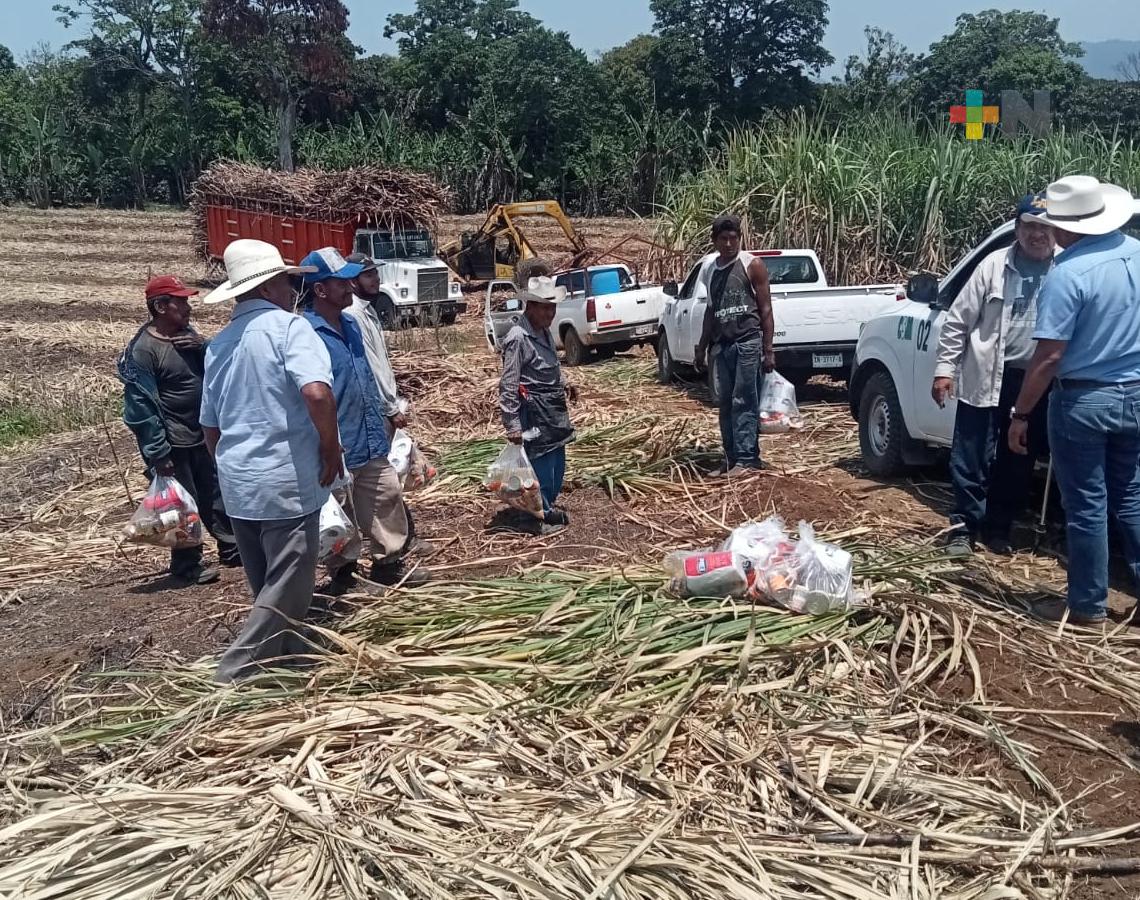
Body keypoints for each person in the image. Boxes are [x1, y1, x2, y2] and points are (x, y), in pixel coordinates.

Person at [199, 239, 342, 684]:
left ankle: (286, 660)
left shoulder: (220, 343)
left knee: (264, 581)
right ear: (269, 287)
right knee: (290, 581)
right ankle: (234, 673)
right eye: (286, 281)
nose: (291, 290)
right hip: (285, 478)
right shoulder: (289, 329)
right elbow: (317, 392)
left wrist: (234, 466)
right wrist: (331, 448)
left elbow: (210, 427)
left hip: (239, 482)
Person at [1008, 175, 1140, 625]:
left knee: (1087, 505)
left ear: (1066, 228)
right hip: (1135, 394)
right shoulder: (1138, 255)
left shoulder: (1069, 274)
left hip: (1084, 401)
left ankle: (1087, 607)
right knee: (1131, 499)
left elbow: (1049, 357)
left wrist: (1020, 413)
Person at [932, 193, 1056, 557]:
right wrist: (944, 370)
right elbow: (957, 321)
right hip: (986, 376)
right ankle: (963, 529)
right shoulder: (992, 266)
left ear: (1057, 232)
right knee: (970, 456)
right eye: (1031, 226)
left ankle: (999, 529)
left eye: (1045, 228)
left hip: (1034, 385)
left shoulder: (1067, 269)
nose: (1038, 234)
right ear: (1018, 229)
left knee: (1017, 460)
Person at [300, 247, 430, 590]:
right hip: (336, 441)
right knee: (340, 510)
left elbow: (366, 376)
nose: (349, 287)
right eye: (340, 282)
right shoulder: (306, 333)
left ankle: (389, 563)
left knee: (385, 495)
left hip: (370, 433)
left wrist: (385, 414)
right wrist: (328, 443)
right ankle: (345, 574)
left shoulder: (350, 324)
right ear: (320, 290)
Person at [118, 275, 241, 585]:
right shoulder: (144, 351)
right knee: (183, 505)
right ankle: (187, 564)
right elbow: (140, 410)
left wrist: (204, 347)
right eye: (181, 301)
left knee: (214, 494)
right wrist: (158, 452)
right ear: (161, 306)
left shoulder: (188, 336)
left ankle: (230, 547)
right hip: (174, 442)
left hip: (202, 434)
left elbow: (220, 363)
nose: (188, 307)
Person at [343, 251, 434, 557]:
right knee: (380, 480)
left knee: (388, 475)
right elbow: (370, 366)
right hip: (376, 411)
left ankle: (400, 537)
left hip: (382, 406)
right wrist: (390, 406)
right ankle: (389, 543)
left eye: (375, 273)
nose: (375, 279)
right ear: (352, 281)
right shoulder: (354, 314)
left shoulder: (367, 310)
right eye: (368, 275)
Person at [694, 214, 775, 475]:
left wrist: (768, 349)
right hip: (722, 346)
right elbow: (710, 310)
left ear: (739, 238)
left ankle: (747, 459)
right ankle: (730, 458)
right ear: (714, 241)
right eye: (723, 239)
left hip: (747, 343)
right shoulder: (710, 270)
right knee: (726, 403)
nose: (729, 243)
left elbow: (765, 309)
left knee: (744, 400)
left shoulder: (752, 265)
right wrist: (701, 346)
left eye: (733, 238)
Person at [499, 274, 578, 533]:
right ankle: (536, 518)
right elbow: (508, 384)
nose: (551, 313)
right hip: (532, 412)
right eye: (545, 307)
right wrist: (512, 425)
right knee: (539, 468)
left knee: (557, 462)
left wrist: (564, 383)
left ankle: (547, 506)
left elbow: (551, 365)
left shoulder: (543, 332)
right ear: (530, 306)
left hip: (552, 408)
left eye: (553, 307)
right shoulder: (517, 337)